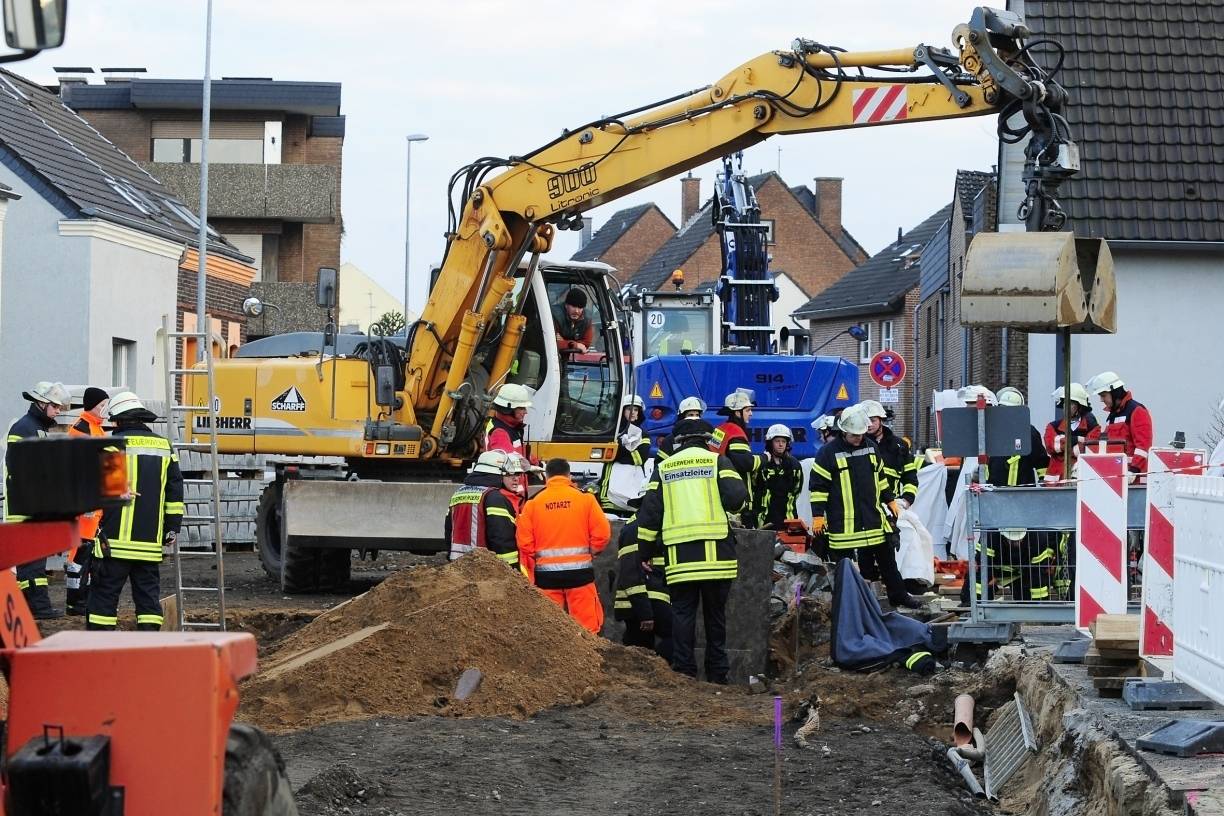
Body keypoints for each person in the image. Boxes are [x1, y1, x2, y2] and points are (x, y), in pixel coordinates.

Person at [638, 419, 746, 682]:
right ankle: (717, 673)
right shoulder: (717, 462)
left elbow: (650, 514)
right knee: (715, 617)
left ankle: (685, 671)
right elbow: (737, 500)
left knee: (683, 615)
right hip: (717, 558)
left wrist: (645, 551)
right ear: (707, 440)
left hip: (680, 560)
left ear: (678, 442)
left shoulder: (664, 468)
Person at [87, 392, 184, 631]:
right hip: (149, 545)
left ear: (118, 420)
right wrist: (171, 528)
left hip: (114, 544)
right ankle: (148, 645)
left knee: (104, 598)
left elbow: (102, 490)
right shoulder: (164, 447)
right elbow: (174, 493)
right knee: (148, 600)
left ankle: (98, 644)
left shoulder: (111, 445)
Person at [810, 405, 921, 609]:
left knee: (888, 562)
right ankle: (848, 604)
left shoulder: (870, 447)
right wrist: (817, 516)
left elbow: (880, 478)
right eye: (854, 435)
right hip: (843, 524)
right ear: (843, 431)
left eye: (861, 434)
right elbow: (818, 488)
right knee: (844, 569)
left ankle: (898, 596)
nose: (859, 438)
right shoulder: (827, 454)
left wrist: (889, 500)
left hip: (872, 519)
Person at [517, 458, 611, 633]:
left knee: (550, 628)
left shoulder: (533, 504)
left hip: (546, 576)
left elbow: (524, 541)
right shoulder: (586, 499)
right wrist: (593, 551)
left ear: (547, 477)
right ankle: (588, 649)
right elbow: (602, 533)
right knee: (587, 626)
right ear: (569, 475)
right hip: (580, 574)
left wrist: (538, 557)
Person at [4, 381, 72, 619]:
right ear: (41, 403)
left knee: (34, 560)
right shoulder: (25, 428)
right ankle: (38, 608)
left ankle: (32, 607)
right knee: (31, 562)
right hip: (27, 508)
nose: (58, 411)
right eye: (55, 406)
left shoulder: (37, 428)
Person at [65, 386, 109, 615]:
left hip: (93, 502)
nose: (105, 409)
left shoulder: (95, 428)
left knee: (88, 550)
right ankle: (75, 601)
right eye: (102, 405)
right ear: (92, 405)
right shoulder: (82, 429)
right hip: (85, 503)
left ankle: (82, 598)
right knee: (80, 551)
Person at [444, 450, 528, 570]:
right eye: (507, 473)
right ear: (497, 472)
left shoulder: (458, 493)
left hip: (458, 567)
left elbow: (449, 531)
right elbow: (501, 537)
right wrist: (511, 570)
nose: (515, 478)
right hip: (484, 571)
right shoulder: (494, 498)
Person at [613, 513, 673, 661]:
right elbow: (631, 574)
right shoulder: (638, 527)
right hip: (647, 599)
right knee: (678, 638)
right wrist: (645, 613)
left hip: (645, 599)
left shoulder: (635, 525)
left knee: (640, 652)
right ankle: (659, 668)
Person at [1085, 371, 1153, 477]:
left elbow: (1143, 446)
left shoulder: (1136, 411)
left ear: (1114, 392)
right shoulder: (1112, 415)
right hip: (1116, 475)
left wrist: (1134, 471)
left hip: (1134, 478)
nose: (1101, 400)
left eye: (1103, 395)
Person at [861, 400, 919, 510]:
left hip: (892, 505)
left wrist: (906, 500)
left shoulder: (899, 446)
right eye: (865, 420)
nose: (868, 424)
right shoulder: (858, 445)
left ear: (881, 420)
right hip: (865, 507)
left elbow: (910, 477)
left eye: (872, 420)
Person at [597, 395, 650, 512]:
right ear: (622, 411)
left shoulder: (643, 434)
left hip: (633, 488)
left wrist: (620, 451)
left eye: (636, 409)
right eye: (629, 409)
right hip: (611, 491)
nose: (633, 412)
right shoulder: (612, 431)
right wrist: (626, 452)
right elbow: (607, 455)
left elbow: (640, 458)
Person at [1043, 383, 1101, 484]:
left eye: (1071, 403)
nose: (1066, 406)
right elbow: (1051, 446)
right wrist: (1078, 440)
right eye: (1064, 403)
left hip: (1081, 482)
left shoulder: (1092, 427)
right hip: (1055, 484)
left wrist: (1063, 445)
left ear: (1079, 406)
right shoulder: (1053, 426)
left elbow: (1091, 449)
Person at [748, 424, 802, 530]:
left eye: (784, 441)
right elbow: (753, 487)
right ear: (770, 443)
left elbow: (797, 490)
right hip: (764, 521)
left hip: (787, 521)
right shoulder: (762, 463)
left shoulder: (794, 465)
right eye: (777, 441)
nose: (781, 444)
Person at [710, 389, 763, 487]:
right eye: (747, 410)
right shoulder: (736, 433)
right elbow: (746, 463)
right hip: (733, 486)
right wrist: (765, 458)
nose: (751, 413)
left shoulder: (721, 429)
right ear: (738, 413)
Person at [485, 383, 533, 459]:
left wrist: (535, 461)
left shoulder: (512, 428)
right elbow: (511, 460)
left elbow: (520, 454)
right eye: (521, 408)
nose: (526, 412)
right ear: (508, 409)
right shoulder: (500, 433)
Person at [655, 396, 705, 462]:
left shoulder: (705, 437)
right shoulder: (670, 440)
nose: (694, 418)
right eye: (690, 415)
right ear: (682, 417)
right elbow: (660, 463)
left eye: (697, 415)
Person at [554, 288, 595, 354]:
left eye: (580, 307)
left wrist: (565, 342)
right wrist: (575, 345)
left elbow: (586, 343)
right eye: (573, 306)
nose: (576, 311)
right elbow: (551, 342)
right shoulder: (555, 315)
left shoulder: (587, 319)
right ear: (566, 305)